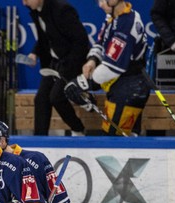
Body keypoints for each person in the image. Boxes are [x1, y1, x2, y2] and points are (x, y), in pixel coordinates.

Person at [64, 0, 151, 136]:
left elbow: (113, 67)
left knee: (115, 142)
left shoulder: (126, 24)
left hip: (130, 87)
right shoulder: (115, 17)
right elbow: (102, 42)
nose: (100, 5)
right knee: (117, 138)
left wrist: (85, 82)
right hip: (121, 84)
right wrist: (92, 60)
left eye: (103, 0)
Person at [22, 0, 90, 136]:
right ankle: (39, 140)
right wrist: (35, 53)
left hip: (73, 62)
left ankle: (78, 130)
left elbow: (81, 41)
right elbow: (45, 37)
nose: (24, 3)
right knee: (41, 99)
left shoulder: (63, 10)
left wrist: (68, 67)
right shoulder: (36, 11)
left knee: (56, 97)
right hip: (55, 63)